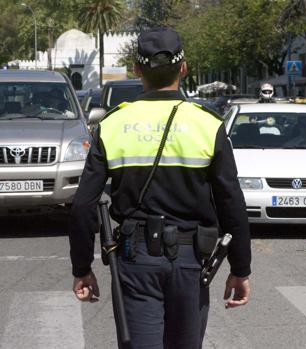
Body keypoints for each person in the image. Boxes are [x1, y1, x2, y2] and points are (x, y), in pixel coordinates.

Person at [68, 28, 252, 348]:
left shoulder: (112, 125)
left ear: (137, 70)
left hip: (134, 259)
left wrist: (82, 267)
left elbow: (84, 204)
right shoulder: (208, 124)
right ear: (184, 68)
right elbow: (231, 202)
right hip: (190, 259)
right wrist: (240, 268)